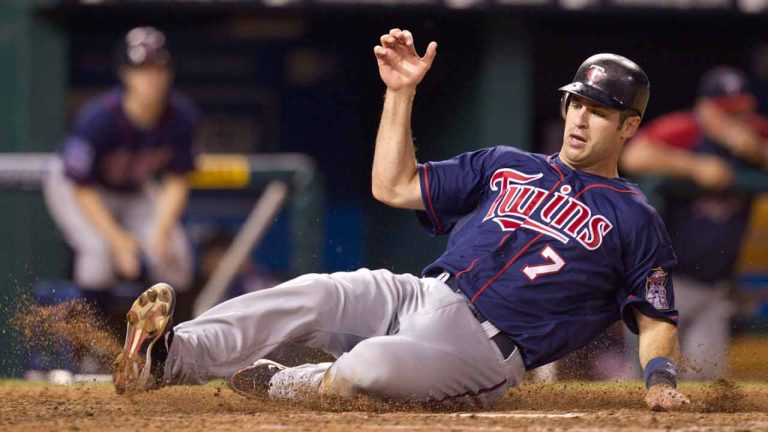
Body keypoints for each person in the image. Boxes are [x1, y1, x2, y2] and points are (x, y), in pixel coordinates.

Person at [112, 29, 689, 411]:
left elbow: (655, 315)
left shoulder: (634, 217)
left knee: (368, 366)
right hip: (419, 293)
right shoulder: (507, 164)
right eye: (577, 104)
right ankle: (167, 360)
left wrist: (660, 378)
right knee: (313, 292)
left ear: (630, 126)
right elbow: (393, 186)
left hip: (484, 352)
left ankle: (285, 384)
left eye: (601, 111)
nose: (581, 120)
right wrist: (399, 93)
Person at [44, 26, 197, 334]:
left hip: (133, 189)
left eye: (159, 68)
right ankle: (89, 352)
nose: (151, 77)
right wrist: (118, 240)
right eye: (142, 69)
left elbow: (178, 180)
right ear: (126, 74)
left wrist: (161, 232)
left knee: (175, 257)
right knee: (98, 254)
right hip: (78, 189)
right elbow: (81, 187)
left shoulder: (181, 116)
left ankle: (168, 347)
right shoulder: (98, 118)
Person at [621, 66, 768, 379]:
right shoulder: (687, 128)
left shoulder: (754, 133)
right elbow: (633, 156)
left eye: (740, 111)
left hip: (715, 288)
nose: (735, 119)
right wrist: (693, 166)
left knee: (706, 380)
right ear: (705, 107)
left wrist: (758, 151)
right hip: (665, 281)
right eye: (726, 111)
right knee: (649, 375)